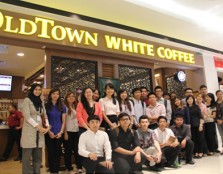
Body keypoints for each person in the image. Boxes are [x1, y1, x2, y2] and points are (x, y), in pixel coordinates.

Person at [21, 84, 50, 174]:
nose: (38, 91)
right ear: (32, 90)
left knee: (38, 157)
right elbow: (27, 115)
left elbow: (44, 115)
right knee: (26, 157)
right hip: (29, 131)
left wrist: (48, 126)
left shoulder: (40, 102)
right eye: (36, 89)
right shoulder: (27, 100)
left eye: (39, 89)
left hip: (40, 132)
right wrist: (38, 127)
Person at [45, 88, 66, 174]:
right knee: (50, 152)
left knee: (57, 153)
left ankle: (56, 171)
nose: (55, 95)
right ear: (50, 95)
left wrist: (61, 132)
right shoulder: (46, 106)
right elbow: (45, 119)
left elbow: (64, 121)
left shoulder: (62, 106)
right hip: (49, 132)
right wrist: (49, 132)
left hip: (59, 133)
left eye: (57, 94)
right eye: (53, 94)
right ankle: (52, 171)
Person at [63, 92, 83, 173]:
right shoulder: (64, 107)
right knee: (68, 150)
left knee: (77, 150)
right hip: (68, 131)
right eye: (69, 96)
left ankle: (79, 166)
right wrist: (65, 133)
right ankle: (68, 167)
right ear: (66, 98)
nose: (71, 98)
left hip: (76, 131)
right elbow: (63, 121)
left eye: (72, 96)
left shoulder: (76, 106)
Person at [216, 90, 223, 154]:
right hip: (218, 121)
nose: (219, 95)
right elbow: (214, 113)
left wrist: (222, 120)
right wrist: (217, 120)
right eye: (218, 94)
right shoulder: (215, 103)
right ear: (216, 95)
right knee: (221, 135)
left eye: (221, 94)